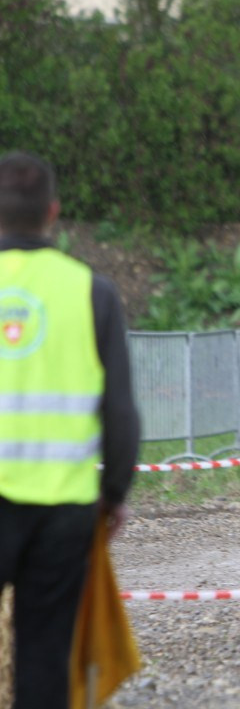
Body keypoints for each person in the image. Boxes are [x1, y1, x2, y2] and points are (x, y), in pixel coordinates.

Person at [0, 151, 140, 709]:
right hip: (65, 511)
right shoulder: (92, 293)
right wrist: (116, 495)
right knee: (44, 654)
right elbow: (121, 412)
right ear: (53, 213)